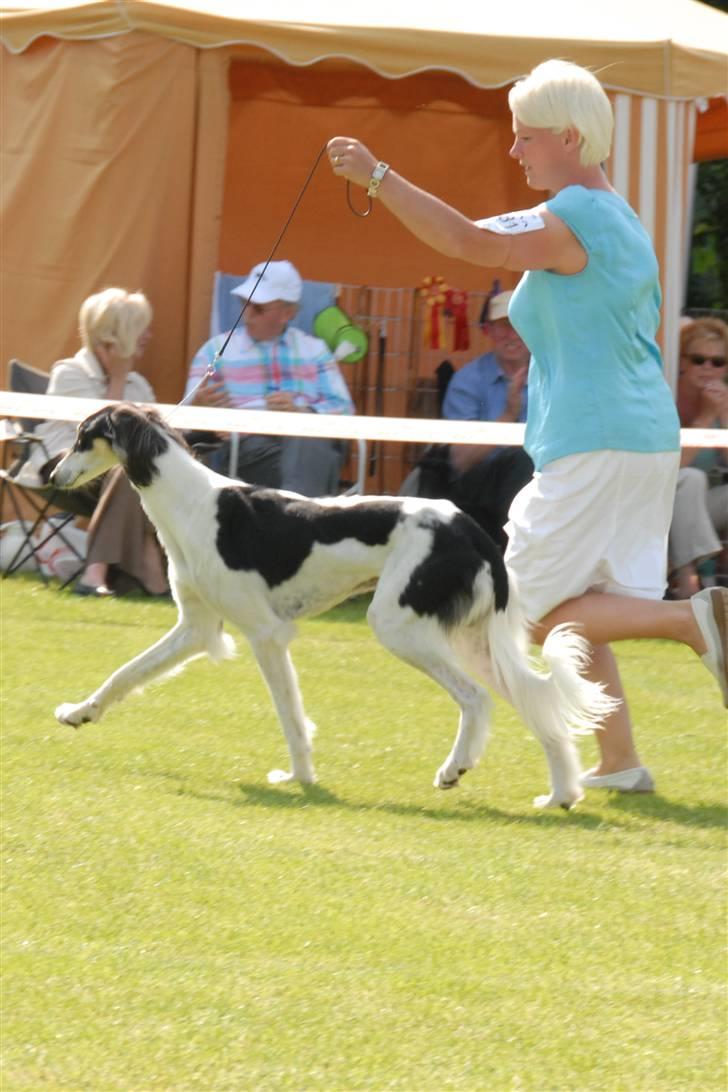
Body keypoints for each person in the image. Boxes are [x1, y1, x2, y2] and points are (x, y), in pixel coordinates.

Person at [327, 58, 727, 796]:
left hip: (598, 440)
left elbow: (469, 242)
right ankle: (619, 764)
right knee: (577, 611)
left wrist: (378, 178)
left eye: (525, 137)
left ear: (571, 136)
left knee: (510, 620)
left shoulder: (575, 215)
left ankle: (695, 623)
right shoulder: (613, 215)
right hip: (630, 438)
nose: (516, 152)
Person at [30, 288, 169, 597]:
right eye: (141, 328)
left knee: (139, 469)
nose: (149, 335)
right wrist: (118, 380)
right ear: (115, 335)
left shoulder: (139, 385)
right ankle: (140, 568)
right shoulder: (69, 373)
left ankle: (113, 572)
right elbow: (103, 437)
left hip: (118, 476)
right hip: (66, 467)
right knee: (127, 465)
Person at [185, 260, 354, 495]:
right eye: (245, 304)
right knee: (311, 450)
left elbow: (346, 411)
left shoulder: (315, 351)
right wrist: (197, 410)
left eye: (258, 307)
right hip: (249, 451)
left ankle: (292, 513)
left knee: (306, 436)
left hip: (307, 444)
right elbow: (183, 426)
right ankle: (300, 515)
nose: (247, 315)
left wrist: (302, 412)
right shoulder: (215, 351)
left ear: (288, 313)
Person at [440, 288, 534, 549]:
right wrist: (508, 414)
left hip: (542, 476)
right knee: (523, 459)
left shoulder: (552, 377)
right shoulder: (468, 380)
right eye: (503, 326)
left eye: (521, 324)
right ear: (488, 331)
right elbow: (461, 462)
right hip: (480, 485)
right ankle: (517, 553)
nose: (513, 334)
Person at [668, 316, 728, 598]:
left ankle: (688, 578)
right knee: (690, 478)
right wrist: (705, 418)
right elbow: (672, 469)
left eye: (717, 362)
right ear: (681, 361)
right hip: (657, 504)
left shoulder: (724, 400)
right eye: (698, 359)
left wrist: (724, 420)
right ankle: (696, 581)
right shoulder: (666, 395)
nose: (708, 368)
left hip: (696, 512)